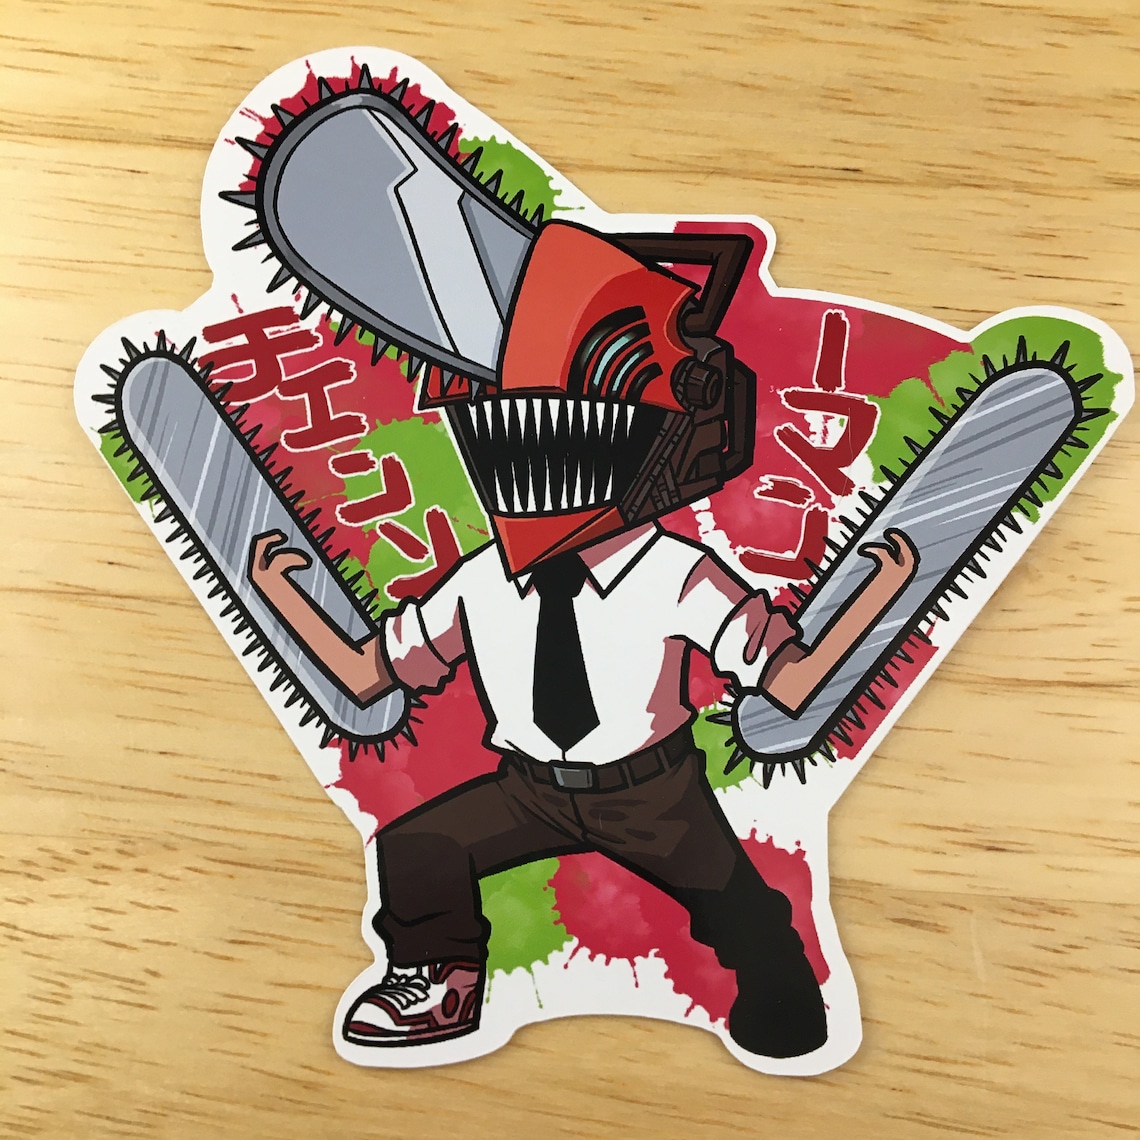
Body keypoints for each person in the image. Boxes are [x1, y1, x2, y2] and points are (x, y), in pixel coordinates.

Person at [248, 514, 916, 1058]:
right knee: (416, 847)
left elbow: (791, 683)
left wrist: (883, 592)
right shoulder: (484, 577)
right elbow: (369, 674)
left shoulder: (676, 570)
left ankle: (785, 999)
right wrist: (277, 594)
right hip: (529, 790)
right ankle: (438, 982)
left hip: (656, 796)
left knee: (758, 938)